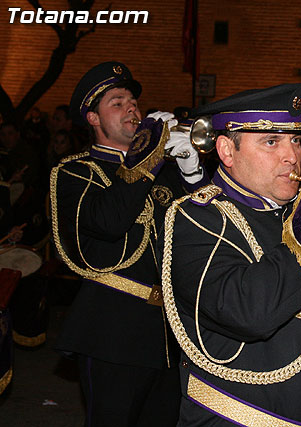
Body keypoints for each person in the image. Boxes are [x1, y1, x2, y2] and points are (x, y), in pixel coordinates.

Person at [159, 83, 301, 426]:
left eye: (296, 139)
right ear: (226, 150)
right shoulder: (195, 217)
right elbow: (246, 312)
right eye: (272, 142)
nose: (292, 155)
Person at [49, 61, 209, 426]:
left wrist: (191, 172)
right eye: (117, 102)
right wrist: (149, 155)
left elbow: (210, 231)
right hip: (112, 332)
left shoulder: (162, 170)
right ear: (92, 118)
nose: (132, 108)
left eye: (133, 101)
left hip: (171, 334)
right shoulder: (76, 172)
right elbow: (110, 221)